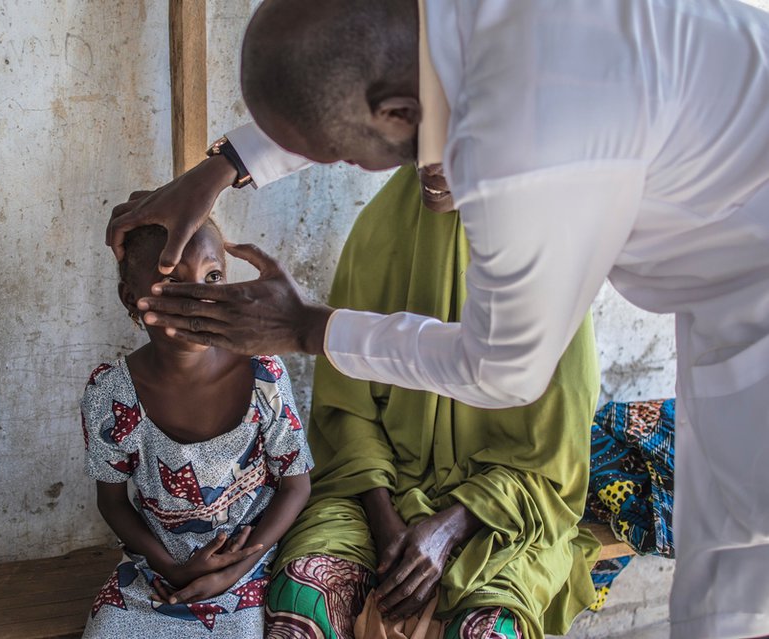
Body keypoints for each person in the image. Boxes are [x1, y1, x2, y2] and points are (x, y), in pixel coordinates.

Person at [107, 2, 769, 637]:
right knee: (727, 561)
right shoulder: (445, 46)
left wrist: (308, 329)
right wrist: (221, 168)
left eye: (344, 158)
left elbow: (505, 371)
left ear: (401, 114)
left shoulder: (517, 152)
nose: (353, 168)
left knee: (740, 559)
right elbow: (356, 69)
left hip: (752, 290)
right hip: (727, 264)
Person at [264, 165, 601, 639]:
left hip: (505, 516)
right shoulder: (378, 232)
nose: (433, 161)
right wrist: (386, 525)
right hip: (371, 496)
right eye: (421, 136)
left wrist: (448, 528)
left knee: (487, 630)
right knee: (303, 603)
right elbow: (347, 412)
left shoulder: (549, 254)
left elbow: (551, 464)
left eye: (454, 136)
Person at [79, 221, 313, 637]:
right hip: (157, 566)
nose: (200, 297)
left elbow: (297, 486)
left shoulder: (263, 374)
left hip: (250, 558)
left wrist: (231, 572)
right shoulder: (111, 393)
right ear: (130, 298)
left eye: (213, 276)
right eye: (173, 282)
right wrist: (172, 567)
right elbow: (112, 502)